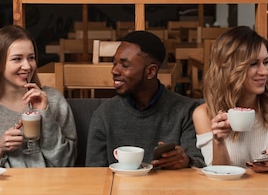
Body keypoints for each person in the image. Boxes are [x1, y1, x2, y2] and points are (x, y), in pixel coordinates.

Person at [85, 31, 205, 169]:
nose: (114, 71)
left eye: (125, 65)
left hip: (171, 189)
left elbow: (200, 165)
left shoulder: (187, 111)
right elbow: (94, 173)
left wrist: (186, 161)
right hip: (119, 189)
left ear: (150, 72)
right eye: (114, 63)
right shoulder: (104, 114)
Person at [192, 26, 268, 172]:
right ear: (230, 69)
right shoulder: (204, 114)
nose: (264, 71)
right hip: (230, 194)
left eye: (266, 62)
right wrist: (219, 142)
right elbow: (219, 176)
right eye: (254, 64)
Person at [0, 25, 77, 167]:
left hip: (52, 187)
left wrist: (45, 115)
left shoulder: (54, 100)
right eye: (17, 59)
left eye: (31, 58)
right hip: (4, 188)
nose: (27, 66)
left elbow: (68, 162)